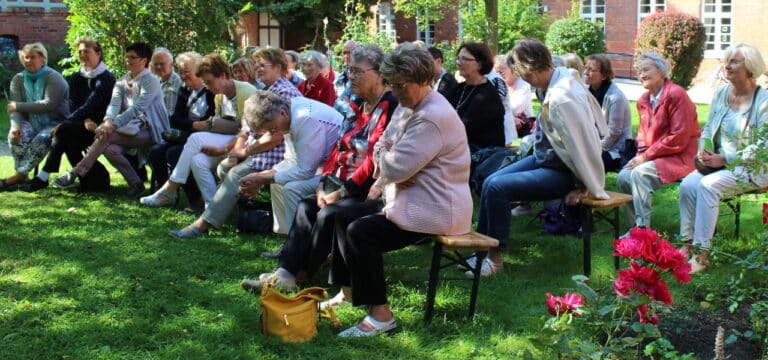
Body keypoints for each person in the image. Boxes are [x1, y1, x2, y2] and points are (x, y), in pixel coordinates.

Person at [325, 42, 472, 337]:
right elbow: (381, 149)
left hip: (436, 207)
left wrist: (395, 164)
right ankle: (348, 292)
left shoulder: (432, 116)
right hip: (409, 196)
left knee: (360, 232)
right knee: (338, 214)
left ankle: (381, 316)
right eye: (391, 84)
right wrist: (394, 163)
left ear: (423, 80)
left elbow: (393, 166)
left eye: (400, 85)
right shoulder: (409, 106)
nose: (394, 91)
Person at [239, 44, 397, 289]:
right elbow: (338, 149)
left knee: (327, 213)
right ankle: (286, 272)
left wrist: (341, 192)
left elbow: (374, 160)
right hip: (341, 179)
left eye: (357, 71)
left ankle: (299, 273)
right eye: (349, 70)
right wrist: (324, 184)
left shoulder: (388, 106)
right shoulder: (357, 104)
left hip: (370, 187)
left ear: (379, 72)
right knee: (306, 205)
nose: (350, 76)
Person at [473, 39, 609, 277]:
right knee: (490, 181)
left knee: (497, 188)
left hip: (564, 172)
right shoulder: (557, 79)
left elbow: (583, 145)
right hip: (546, 159)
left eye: (523, 74)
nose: (524, 79)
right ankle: (481, 251)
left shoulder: (562, 97)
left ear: (530, 67)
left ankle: (494, 259)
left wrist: (585, 186)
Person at [167, 48, 303, 238]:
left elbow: (278, 137)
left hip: (279, 155)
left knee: (235, 174)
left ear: (279, 67)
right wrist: (235, 151)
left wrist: (244, 153)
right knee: (222, 167)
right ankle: (238, 215)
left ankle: (203, 223)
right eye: (257, 66)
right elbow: (246, 128)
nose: (258, 70)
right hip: (261, 150)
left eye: (263, 65)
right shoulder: (268, 90)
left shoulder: (284, 93)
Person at [679, 43, 768, 274]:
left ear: (749, 68)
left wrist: (725, 159)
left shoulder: (763, 101)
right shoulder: (720, 93)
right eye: (727, 60)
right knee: (688, 185)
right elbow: (708, 129)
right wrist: (703, 149)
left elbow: (763, 146)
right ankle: (686, 245)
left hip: (752, 167)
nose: (727, 66)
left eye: (734, 61)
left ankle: (701, 254)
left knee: (708, 186)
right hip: (717, 164)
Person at [139, 54, 257, 208]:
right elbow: (221, 128)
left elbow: (248, 132)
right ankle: (213, 208)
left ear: (222, 75)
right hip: (231, 141)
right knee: (197, 161)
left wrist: (223, 148)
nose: (207, 87)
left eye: (209, 82)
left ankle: (169, 190)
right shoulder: (219, 97)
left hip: (246, 146)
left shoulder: (246, 91)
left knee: (196, 139)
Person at [54, 42, 169, 197]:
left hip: (152, 130)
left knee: (106, 135)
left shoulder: (151, 81)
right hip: (129, 128)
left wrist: (112, 125)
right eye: (127, 56)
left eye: (132, 57)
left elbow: (138, 109)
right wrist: (108, 121)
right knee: (110, 149)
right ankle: (136, 184)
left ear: (143, 60)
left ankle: (76, 172)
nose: (127, 60)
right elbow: (114, 105)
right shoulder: (122, 81)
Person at [236, 92, 343, 239]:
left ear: (281, 113)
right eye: (268, 131)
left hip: (340, 173)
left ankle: (301, 244)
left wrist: (263, 179)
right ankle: (289, 241)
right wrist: (261, 176)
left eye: (272, 129)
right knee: (277, 184)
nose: (273, 133)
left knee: (291, 188)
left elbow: (306, 171)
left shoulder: (304, 119)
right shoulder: (289, 113)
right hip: (326, 169)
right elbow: (291, 160)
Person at [617, 53, 700, 230]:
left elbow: (679, 136)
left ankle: (643, 232)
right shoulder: (643, 100)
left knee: (641, 174)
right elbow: (642, 135)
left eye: (646, 69)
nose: (642, 75)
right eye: (639, 71)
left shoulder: (676, 94)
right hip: (657, 155)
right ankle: (634, 230)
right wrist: (639, 156)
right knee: (624, 176)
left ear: (662, 72)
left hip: (682, 155)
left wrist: (646, 157)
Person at [24, 37, 114, 192]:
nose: (82, 55)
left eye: (87, 51)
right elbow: (73, 104)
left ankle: (43, 177)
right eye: (80, 52)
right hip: (80, 125)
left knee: (64, 132)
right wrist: (84, 119)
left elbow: (92, 103)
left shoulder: (106, 78)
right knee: (66, 138)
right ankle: (92, 180)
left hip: (101, 127)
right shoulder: (77, 77)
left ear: (98, 53)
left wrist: (69, 122)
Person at [147, 51, 214, 208]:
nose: (183, 76)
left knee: (174, 153)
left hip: (203, 138)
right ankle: (167, 195)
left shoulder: (210, 90)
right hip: (185, 134)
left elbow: (210, 121)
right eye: (181, 71)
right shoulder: (185, 89)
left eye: (186, 71)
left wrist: (192, 125)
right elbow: (175, 118)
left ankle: (195, 199)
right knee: (156, 151)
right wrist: (193, 124)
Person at [3, 42, 69, 191]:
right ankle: (23, 177)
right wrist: (15, 125)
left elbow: (49, 104)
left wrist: (18, 106)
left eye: (33, 57)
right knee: (15, 135)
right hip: (30, 121)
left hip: (56, 121)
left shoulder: (53, 77)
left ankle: (17, 176)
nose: (29, 61)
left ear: (43, 59)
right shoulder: (18, 79)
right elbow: (15, 110)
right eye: (26, 57)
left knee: (42, 138)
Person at [449, 42, 505, 194]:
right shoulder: (460, 88)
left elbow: (465, 129)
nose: (459, 62)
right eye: (458, 58)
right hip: (460, 148)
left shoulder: (487, 94)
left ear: (480, 64)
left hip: (480, 154)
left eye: (465, 59)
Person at [584, 54, 632, 172]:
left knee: (586, 161)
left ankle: (589, 189)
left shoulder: (616, 97)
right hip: (595, 144)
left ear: (604, 75)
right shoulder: (587, 92)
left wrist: (593, 149)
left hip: (616, 150)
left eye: (591, 69)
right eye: (585, 68)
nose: (585, 72)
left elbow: (614, 133)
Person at [151, 47, 183, 116]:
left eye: (162, 64)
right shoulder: (155, 82)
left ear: (171, 64)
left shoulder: (179, 83)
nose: (158, 67)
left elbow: (170, 114)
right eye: (156, 64)